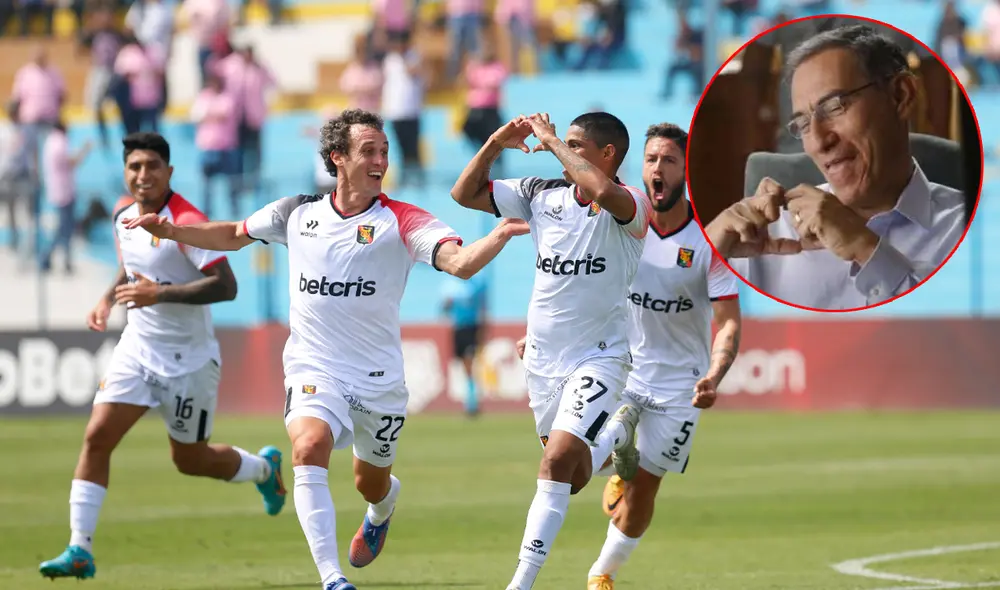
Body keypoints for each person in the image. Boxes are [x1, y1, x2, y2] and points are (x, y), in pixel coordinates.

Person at [122, 109, 527, 590]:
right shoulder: (297, 211)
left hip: (378, 380)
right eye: (369, 151)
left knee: (369, 483)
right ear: (338, 157)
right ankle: (331, 577)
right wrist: (173, 232)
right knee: (308, 447)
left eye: (384, 152)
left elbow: (458, 263)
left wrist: (497, 236)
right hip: (314, 366)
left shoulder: (402, 219)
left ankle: (382, 507)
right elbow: (231, 234)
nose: (380, 161)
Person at [38, 132, 286, 581]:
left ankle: (263, 469)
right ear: (125, 172)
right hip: (137, 350)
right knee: (96, 438)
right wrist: (107, 298)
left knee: (189, 461)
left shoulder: (187, 221)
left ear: (169, 172)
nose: (143, 175)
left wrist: (161, 294)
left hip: (188, 362)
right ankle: (80, 549)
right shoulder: (121, 215)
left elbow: (226, 286)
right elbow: (131, 265)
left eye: (152, 165)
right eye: (134, 166)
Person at [450, 111, 652, 590]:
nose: (562, 147)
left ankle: (520, 583)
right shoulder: (541, 195)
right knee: (574, 475)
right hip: (543, 360)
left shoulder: (632, 205)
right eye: (565, 141)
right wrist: (499, 140)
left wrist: (547, 137)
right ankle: (619, 438)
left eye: (576, 144)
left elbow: (603, 192)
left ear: (608, 155)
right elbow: (464, 193)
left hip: (600, 356)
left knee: (555, 461)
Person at [706, 24, 966, 310]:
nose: (818, 142)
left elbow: (959, 341)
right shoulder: (768, 236)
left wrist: (865, 248)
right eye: (802, 124)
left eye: (834, 107)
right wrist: (703, 253)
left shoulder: (967, 230)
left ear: (900, 96)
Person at [585, 123, 741, 589]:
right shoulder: (617, 222)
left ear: (685, 172)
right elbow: (574, 284)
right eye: (652, 159)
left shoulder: (709, 241)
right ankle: (617, 460)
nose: (658, 168)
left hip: (680, 385)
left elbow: (728, 321)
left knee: (642, 497)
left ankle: (601, 572)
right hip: (623, 371)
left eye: (669, 160)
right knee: (580, 456)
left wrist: (715, 373)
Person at [441, 272, 489, 416]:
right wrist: (448, 304)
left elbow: (482, 308)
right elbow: (444, 309)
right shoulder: (451, 286)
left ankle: (472, 403)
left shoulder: (475, 286)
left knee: (470, 364)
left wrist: (482, 330)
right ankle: (470, 400)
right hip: (458, 328)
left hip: (471, 328)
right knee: (464, 366)